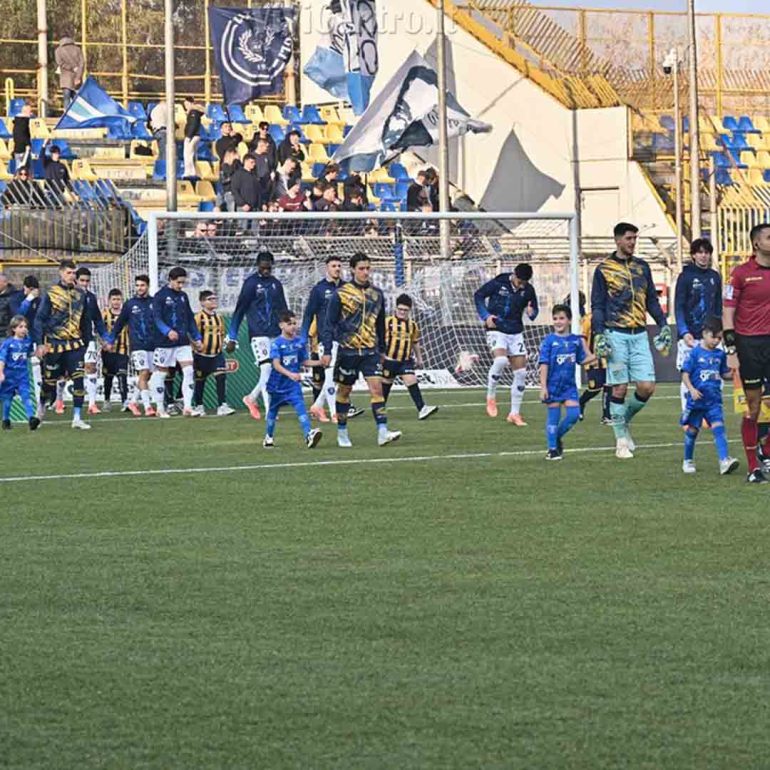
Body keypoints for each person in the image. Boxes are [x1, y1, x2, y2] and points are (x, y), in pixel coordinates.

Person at [591, 222, 671, 460]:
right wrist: (599, 332)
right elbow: (597, 305)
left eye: (635, 238)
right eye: (628, 238)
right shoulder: (603, 269)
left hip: (639, 335)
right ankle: (621, 441)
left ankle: (622, 421)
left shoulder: (642, 267)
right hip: (615, 335)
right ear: (617, 240)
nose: (633, 242)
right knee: (620, 387)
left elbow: (651, 302)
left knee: (647, 386)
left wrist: (663, 324)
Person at [321, 252, 401, 448]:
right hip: (348, 350)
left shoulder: (377, 294)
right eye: (361, 269)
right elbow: (328, 323)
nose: (366, 272)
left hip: (370, 351)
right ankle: (342, 432)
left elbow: (381, 324)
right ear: (353, 270)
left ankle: (383, 432)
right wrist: (328, 350)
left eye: (368, 268)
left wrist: (382, 349)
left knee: (377, 389)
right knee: (344, 391)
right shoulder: (341, 293)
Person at [723, 222, 770, 483]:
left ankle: (767, 449)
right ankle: (754, 467)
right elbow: (728, 313)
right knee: (753, 407)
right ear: (756, 243)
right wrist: (731, 349)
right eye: (769, 237)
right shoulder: (740, 274)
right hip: (749, 345)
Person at [474, 263, 539, 425]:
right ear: (514, 275)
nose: (521, 285)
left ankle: (514, 413)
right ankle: (491, 396)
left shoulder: (528, 290)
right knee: (501, 360)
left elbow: (534, 311)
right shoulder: (499, 282)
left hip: (515, 332)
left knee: (522, 373)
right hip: (496, 328)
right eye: (519, 281)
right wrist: (485, 315)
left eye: (524, 282)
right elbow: (478, 295)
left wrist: (532, 313)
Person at [226, 251, 288, 420]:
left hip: (275, 333)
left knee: (275, 371)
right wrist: (232, 337)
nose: (266, 270)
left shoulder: (276, 284)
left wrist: (288, 329)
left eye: (269, 267)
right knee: (267, 368)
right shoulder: (250, 283)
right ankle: (270, 413)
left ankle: (251, 398)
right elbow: (239, 311)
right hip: (258, 334)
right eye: (263, 267)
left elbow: (283, 308)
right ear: (258, 265)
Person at [34, 259, 91, 429]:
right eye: (69, 272)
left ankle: (77, 418)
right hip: (54, 344)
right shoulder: (51, 293)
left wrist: (86, 343)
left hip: (75, 345)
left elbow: (86, 321)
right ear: (61, 273)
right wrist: (39, 343)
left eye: (74, 273)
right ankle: (41, 409)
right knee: (49, 382)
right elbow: (39, 319)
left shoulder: (81, 295)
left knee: (79, 379)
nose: (72, 276)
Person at [680, 318, 739, 476]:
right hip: (697, 400)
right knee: (692, 431)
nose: (716, 341)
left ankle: (724, 461)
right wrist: (691, 389)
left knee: (719, 428)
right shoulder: (695, 353)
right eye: (714, 337)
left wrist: (733, 372)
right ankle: (688, 460)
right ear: (705, 334)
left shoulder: (720, 354)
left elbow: (723, 373)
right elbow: (685, 374)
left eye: (719, 338)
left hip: (714, 400)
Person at [538, 304, 595, 460]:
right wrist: (543, 387)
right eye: (555, 318)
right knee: (553, 418)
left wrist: (599, 354)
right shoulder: (549, 341)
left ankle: (555, 437)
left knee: (574, 415)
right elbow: (544, 364)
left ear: (569, 320)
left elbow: (582, 360)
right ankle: (552, 450)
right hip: (553, 385)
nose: (558, 321)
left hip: (569, 386)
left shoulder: (575, 341)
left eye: (561, 318)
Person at [262, 310, 323, 449]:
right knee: (273, 411)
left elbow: (304, 361)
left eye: (295, 323)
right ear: (281, 325)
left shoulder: (299, 343)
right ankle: (268, 437)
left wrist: (320, 362)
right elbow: (276, 365)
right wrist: (290, 374)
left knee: (301, 407)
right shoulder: (277, 343)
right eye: (289, 324)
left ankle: (308, 434)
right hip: (277, 384)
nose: (293, 326)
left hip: (292, 385)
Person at [674, 238, 722, 410]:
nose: (703, 256)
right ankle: (687, 410)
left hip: (711, 334)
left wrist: (719, 331)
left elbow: (718, 306)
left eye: (706, 253)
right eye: (700, 252)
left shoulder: (715, 277)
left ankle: (711, 410)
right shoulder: (685, 277)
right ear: (693, 255)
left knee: (713, 374)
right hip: (690, 335)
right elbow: (678, 305)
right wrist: (683, 330)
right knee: (689, 373)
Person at [150, 267, 203, 418]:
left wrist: (197, 337)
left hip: (182, 342)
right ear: (170, 280)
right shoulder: (160, 296)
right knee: (161, 374)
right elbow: (156, 318)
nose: (181, 286)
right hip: (164, 343)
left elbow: (190, 318)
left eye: (183, 283)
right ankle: (160, 408)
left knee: (189, 371)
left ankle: (187, 406)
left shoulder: (183, 296)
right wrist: (167, 331)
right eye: (178, 282)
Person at [381, 294, 438, 420]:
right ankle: (379, 409)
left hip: (405, 361)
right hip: (389, 360)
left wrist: (419, 358)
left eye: (405, 310)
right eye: (400, 309)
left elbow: (415, 342)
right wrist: (381, 356)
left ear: (409, 311)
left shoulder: (413, 325)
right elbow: (378, 340)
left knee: (411, 380)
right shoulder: (387, 322)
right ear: (395, 308)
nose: (402, 312)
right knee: (385, 387)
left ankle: (422, 408)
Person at [106, 274, 156, 417]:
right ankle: (147, 407)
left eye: (142, 285)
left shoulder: (154, 302)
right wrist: (110, 340)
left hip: (153, 345)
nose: (139, 288)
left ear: (148, 286)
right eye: (137, 285)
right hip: (137, 345)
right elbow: (119, 324)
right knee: (144, 372)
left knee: (147, 375)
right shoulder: (130, 304)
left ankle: (133, 401)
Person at [193, 290, 234, 416]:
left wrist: (224, 345)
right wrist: (195, 346)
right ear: (202, 302)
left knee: (221, 377)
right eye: (210, 299)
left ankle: (222, 405)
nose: (213, 301)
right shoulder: (198, 317)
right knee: (200, 381)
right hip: (201, 355)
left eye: (215, 298)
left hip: (217, 354)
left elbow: (221, 333)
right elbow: (192, 334)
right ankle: (199, 405)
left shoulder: (219, 317)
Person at [75, 267, 109, 415]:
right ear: (76, 280)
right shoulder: (68, 295)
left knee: (91, 367)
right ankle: (59, 400)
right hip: (70, 339)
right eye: (82, 280)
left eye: (87, 281)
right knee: (66, 371)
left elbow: (98, 320)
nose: (85, 283)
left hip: (88, 339)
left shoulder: (91, 297)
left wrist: (105, 338)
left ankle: (92, 403)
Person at [0, 315, 40, 431]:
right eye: (20, 327)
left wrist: (37, 353)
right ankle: (6, 420)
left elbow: (27, 354)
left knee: (26, 396)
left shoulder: (27, 341)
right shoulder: (8, 343)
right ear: (14, 329)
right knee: (7, 399)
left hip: (22, 374)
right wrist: (1, 373)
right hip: (9, 375)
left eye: (25, 327)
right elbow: (2, 359)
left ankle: (31, 418)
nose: (24, 329)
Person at [579, 302, 612, 424]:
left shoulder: (611, 317)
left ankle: (606, 416)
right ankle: (581, 402)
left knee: (609, 386)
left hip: (608, 360)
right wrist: (589, 356)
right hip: (593, 360)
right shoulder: (589, 319)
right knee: (595, 388)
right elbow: (583, 338)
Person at [100, 289, 129, 412]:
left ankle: (125, 402)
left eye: (118, 299)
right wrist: (104, 344)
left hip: (123, 349)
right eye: (114, 299)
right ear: (109, 300)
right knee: (108, 377)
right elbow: (99, 331)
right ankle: (106, 400)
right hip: (107, 350)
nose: (116, 302)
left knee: (122, 375)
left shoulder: (126, 314)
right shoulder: (104, 313)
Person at [55, 37, 84, 110]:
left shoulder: (58, 50)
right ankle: (78, 112)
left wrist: (70, 67)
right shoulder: (78, 49)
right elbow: (82, 64)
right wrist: (78, 76)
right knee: (76, 97)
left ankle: (67, 112)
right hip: (77, 76)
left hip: (65, 77)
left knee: (66, 96)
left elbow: (60, 63)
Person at [182, 97, 205, 178]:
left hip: (192, 136)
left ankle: (190, 172)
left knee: (188, 154)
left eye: (186, 104)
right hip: (194, 135)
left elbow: (193, 125)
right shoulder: (195, 112)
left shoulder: (193, 112)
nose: (185, 106)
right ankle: (192, 171)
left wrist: (188, 136)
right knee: (192, 154)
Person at [12, 103, 32, 170]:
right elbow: (22, 135)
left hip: (18, 149)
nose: (31, 113)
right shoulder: (23, 122)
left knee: (19, 171)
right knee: (23, 171)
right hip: (23, 150)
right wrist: (27, 144)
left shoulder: (18, 122)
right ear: (25, 112)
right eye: (29, 111)